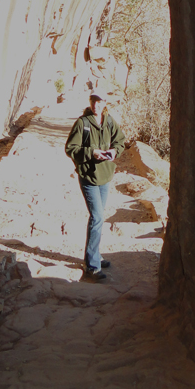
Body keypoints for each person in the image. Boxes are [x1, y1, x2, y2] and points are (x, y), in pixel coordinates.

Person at [65, 90, 126, 282]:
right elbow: (70, 148)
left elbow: (120, 141)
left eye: (99, 102)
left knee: (99, 217)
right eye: (93, 101)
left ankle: (95, 255)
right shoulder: (82, 123)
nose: (95, 105)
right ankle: (92, 266)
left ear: (105, 102)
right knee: (97, 217)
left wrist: (114, 152)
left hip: (105, 176)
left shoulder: (109, 121)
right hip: (89, 177)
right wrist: (92, 153)